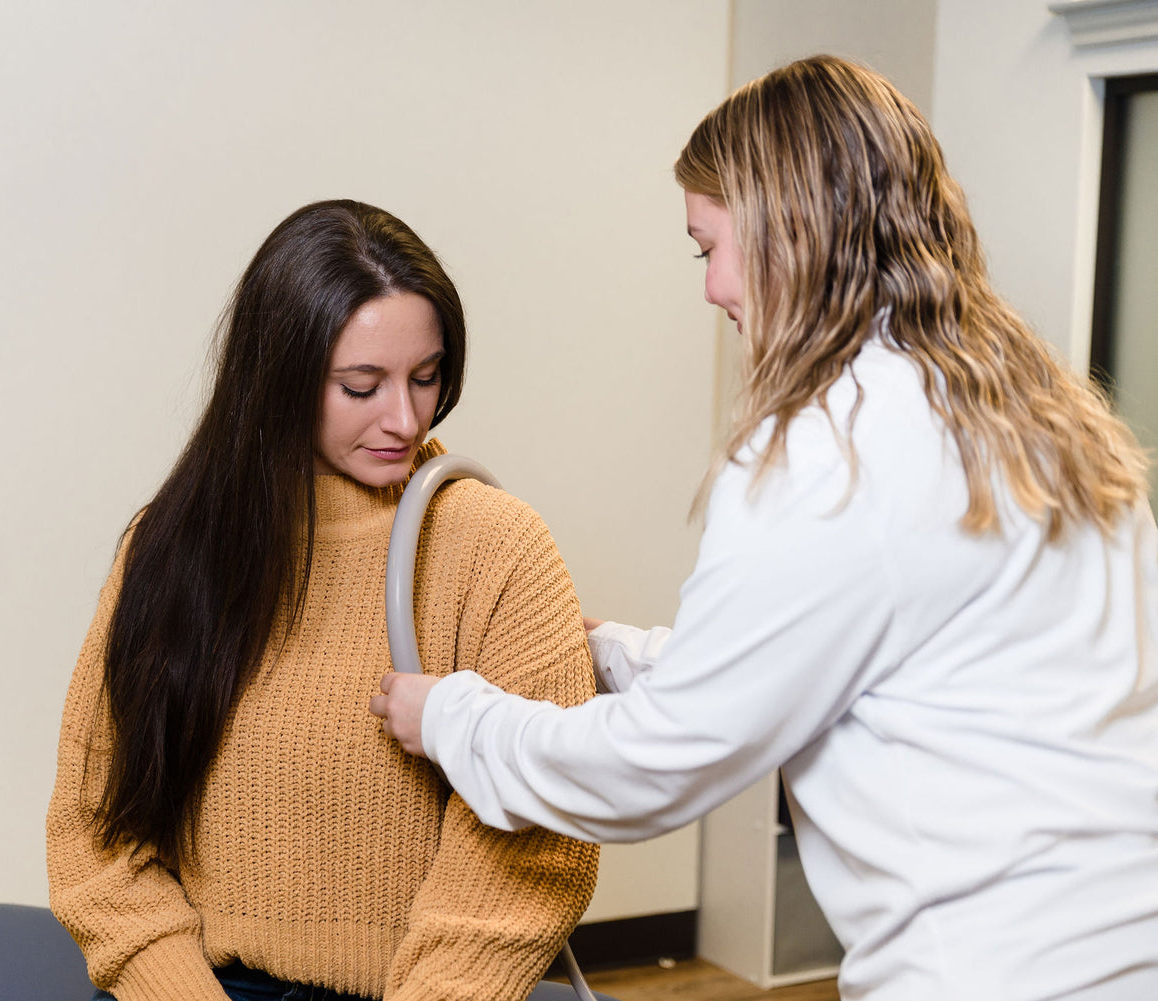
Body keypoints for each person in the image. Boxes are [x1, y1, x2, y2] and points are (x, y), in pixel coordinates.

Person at [371, 56, 1158, 1000]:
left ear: (791, 225)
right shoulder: (1038, 412)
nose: (711, 290)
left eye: (708, 246)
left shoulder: (829, 446)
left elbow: (661, 763)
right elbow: (873, 671)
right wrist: (617, 652)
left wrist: (453, 716)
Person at [46, 199, 599, 1001]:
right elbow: (96, 830)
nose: (404, 418)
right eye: (360, 385)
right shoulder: (171, 546)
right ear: (277, 379)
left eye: (426, 376)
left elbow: (534, 854)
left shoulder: (498, 548)